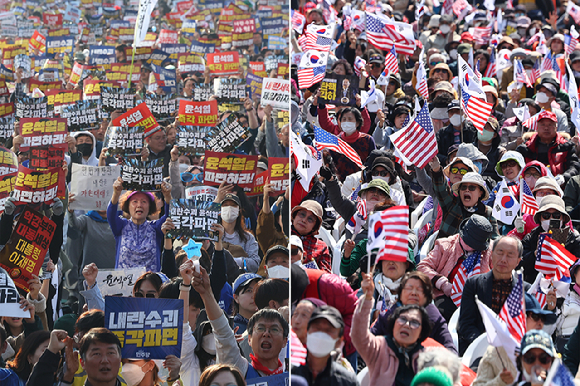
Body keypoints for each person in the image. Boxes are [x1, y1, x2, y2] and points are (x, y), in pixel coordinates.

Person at [192, 265, 289, 379]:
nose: (266, 334)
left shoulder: (293, 374)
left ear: (284, 341)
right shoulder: (239, 370)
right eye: (260, 328)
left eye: (274, 329)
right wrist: (206, 294)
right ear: (249, 339)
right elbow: (222, 330)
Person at [352, 271, 431, 386]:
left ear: (421, 332)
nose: (407, 325)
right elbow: (358, 336)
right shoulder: (378, 348)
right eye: (402, 319)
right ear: (393, 324)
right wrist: (367, 300)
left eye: (414, 322)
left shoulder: (429, 358)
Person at [457, 236, 531, 355]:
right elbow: (466, 324)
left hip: (512, 353)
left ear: (518, 261)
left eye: (510, 255)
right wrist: (484, 346)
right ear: (491, 255)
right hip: (479, 349)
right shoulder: (474, 284)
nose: (503, 259)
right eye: (500, 253)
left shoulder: (525, 290)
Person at [417, 215, 493, 321]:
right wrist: (443, 284)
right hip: (447, 295)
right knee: (439, 316)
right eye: (467, 241)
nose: (470, 246)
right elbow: (422, 267)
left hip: (478, 299)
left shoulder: (491, 251)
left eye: (474, 244)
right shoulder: (445, 244)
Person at [473, 293, 557, 386]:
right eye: (535, 317)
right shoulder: (495, 351)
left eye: (544, 359)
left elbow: (564, 381)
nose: (540, 323)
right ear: (518, 318)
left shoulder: (547, 347)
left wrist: (548, 379)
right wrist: (500, 382)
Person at [370, 271, 457, 354]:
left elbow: (450, 349)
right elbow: (368, 342)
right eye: (409, 288)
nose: (414, 293)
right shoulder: (388, 316)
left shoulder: (435, 318)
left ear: (427, 297)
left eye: (419, 289)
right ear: (400, 294)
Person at [107, 179, 172, 272]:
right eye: (134, 201)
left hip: (150, 285)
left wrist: (167, 196)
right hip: (123, 285)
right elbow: (110, 214)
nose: (139, 205)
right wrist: (116, 193)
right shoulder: (121, 226)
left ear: (150, 207)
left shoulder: (156, 228)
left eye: (144, 202)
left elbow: (171, 215)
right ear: (127, 206)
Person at [428, 155, 498, 239]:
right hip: (445, 250)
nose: (467, 190)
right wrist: (436, 169)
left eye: (472, 188)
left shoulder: (487, 213)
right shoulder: (451, 203)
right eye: (463, 187)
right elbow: (441, 187)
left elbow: (495, 240)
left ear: (480, 193)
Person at [291, 305, 359, 385]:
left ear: (338, 342)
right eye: (317, 328)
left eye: (328, 330)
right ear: (306, 333)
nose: (321, 335)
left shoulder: (347, 381)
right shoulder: (292, 374)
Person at [520, 196, 580, 284]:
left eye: (556, 215)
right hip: (535, 287)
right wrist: (536, 253)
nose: (551, 219)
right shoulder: (530, 238)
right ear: (540, 218)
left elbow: (577, 269)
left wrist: (562, 253)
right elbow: (520, 264)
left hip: (565, 289)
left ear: (563, 218)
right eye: (546, 216)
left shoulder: (574, 239)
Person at [516, 111, 579, 185]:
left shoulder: (566, 146)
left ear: (556, 127)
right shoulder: (525, 148)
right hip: (531, 190)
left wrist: (564, 177)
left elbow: (574, 166)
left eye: (550, 125)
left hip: (560, 188)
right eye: (543, 125)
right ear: (537, 127)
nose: (546, 128)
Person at [218, 193, 261, 273]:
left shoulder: (248, 238)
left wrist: (237, 261)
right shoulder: (213, 235)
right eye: (225, 205)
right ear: (220, 210)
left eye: (233, 205)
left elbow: (255, 264)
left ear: (239, 211)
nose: (229, 208)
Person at [291, 200, 332, 273]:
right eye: (302, 214)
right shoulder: (283, 234)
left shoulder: (321, 246)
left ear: (314, 227)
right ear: (294, 217)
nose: (304, 220)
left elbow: (325, 277)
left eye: (310, 219)